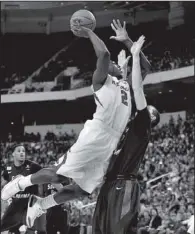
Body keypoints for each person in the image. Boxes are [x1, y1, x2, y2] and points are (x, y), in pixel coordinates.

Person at [2, 20, 150, 229]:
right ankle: (18, 183)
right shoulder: (100, 81)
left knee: (82, 189)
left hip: (111, 141)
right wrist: (89, 31)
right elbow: (105, 55)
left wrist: (128, 42)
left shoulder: (125, 84)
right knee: (57, 174)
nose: (115, 64)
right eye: (111, 65)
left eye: (117, 65)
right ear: (105, 69)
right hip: (96, 133)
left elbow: (145, 67)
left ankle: (40, 205)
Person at [92, 34, 160, 234]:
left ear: (152, 118)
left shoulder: (142, 124)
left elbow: (137, 89)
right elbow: (126, 93)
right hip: (109, 184)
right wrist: (123, 72)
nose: (147, 109)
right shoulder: (125, 126)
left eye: (150, 110)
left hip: (125, 183)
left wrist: (135, 55)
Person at [1, 144, 46, 234]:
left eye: (23, 151)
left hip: (30, 205)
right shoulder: (8, 169)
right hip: (15, 206)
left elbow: (47, 175)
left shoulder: (33, 166)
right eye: (19, 151)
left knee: (37, 231)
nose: (22, 153)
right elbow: (3, 184)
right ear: (13, 154)